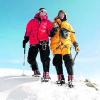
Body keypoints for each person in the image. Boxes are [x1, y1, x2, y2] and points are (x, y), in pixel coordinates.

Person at [50, 10, 80, 87]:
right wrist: (54, 30)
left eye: (63, 14)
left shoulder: (68, 25)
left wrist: (76, 45)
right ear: (58, 15)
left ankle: (70, 79)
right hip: (56, 46)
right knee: (57, 62)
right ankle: (61, 78)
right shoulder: (53, 23)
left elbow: (72, 36)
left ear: (65, 15)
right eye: (60, 14)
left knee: (69, 62)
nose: (61, 15)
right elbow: (49, 33)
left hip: (66, 46)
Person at [23, 8, 53, 81]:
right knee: (30, 59)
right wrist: (25, 39)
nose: (43, 12)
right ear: (39, 12)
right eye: (41, 11)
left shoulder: (48, 22)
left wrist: (53, 32)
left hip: (44, 42)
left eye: (45, 11)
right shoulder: (32, 21)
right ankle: (36, 70)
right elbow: (28, 31)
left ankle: (46, 73)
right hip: (34, 43)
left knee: (45, 58)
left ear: (46, 13)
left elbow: (50, 32)